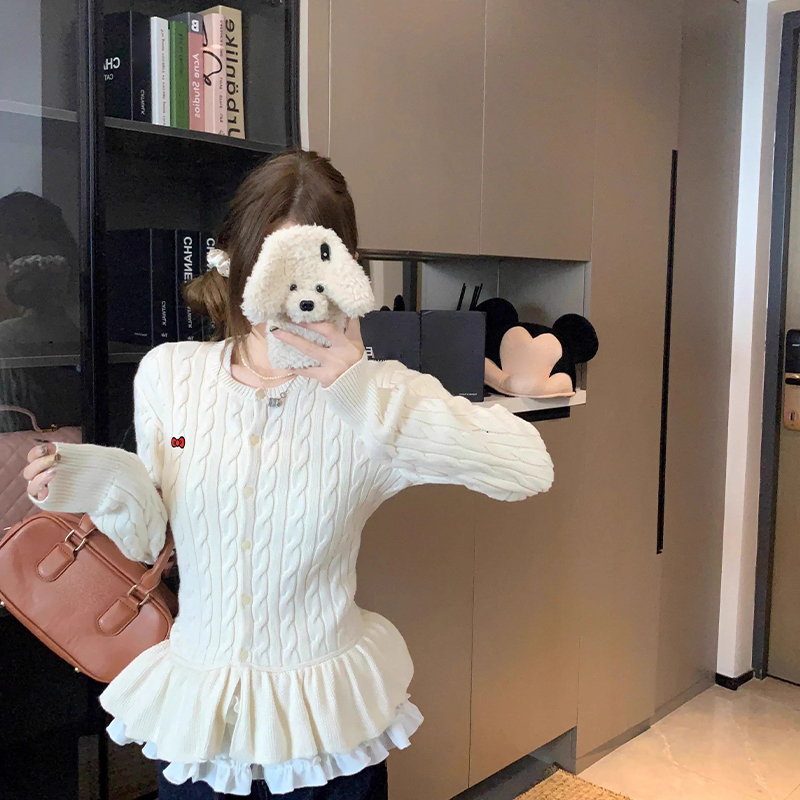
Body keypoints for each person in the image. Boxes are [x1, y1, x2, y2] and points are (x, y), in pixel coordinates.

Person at [21, 150, 555, 800]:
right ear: (234, 260)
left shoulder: (374, 394)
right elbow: (150, 534)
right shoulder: (171, 373)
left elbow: (526, 466)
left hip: (326, 726)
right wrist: (87, 476)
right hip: (204, 722)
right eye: (270, 264)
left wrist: (362, 389)